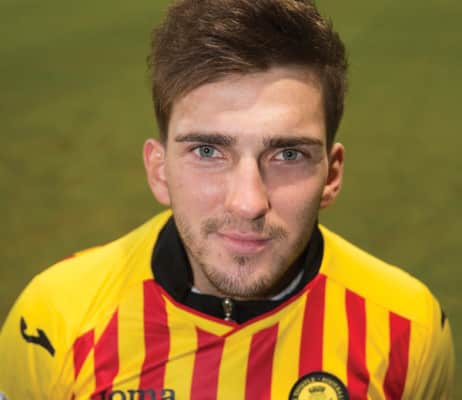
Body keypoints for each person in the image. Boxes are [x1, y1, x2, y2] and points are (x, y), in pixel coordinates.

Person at [0, 0, 454, 398]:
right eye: (207, 151)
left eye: (288, 154)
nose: (248, 203)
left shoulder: (407, 327)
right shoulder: (56, 318)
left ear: (332, 175)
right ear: (159, 170)